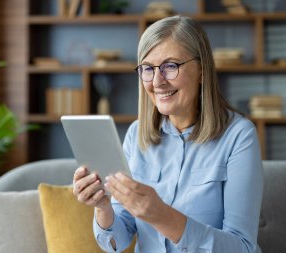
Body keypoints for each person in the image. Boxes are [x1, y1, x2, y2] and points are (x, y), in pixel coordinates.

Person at [73, 15, 263, 253]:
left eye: (170, 66)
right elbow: (116, 243)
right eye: (148, 69)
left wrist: (162, 216)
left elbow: (242, 248)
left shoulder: (239, 136)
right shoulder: (136, 135)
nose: (157, 81)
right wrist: (103, 207)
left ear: (202, 70)